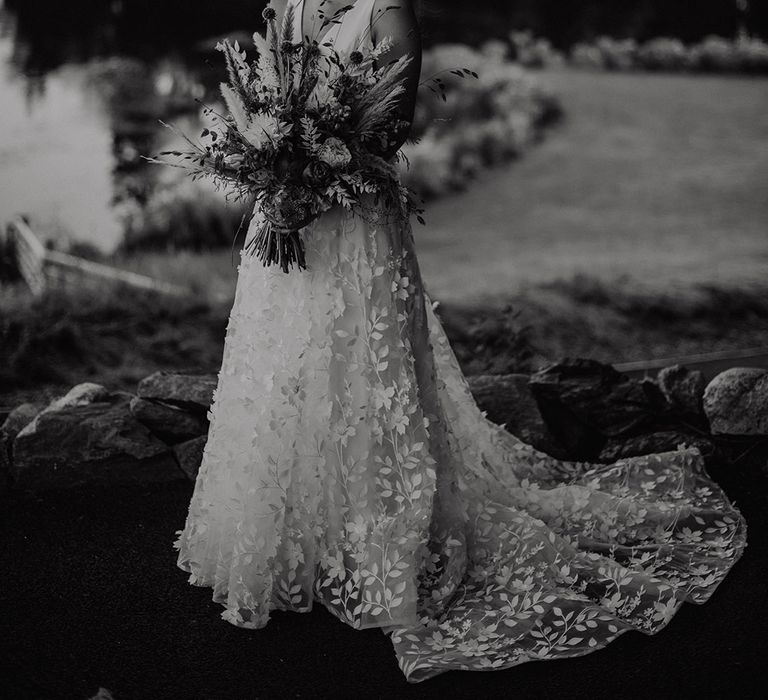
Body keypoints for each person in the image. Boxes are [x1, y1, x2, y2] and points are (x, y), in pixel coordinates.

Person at [173, 0, 747, 683]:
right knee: (283, 371)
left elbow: (389, 131)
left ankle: (384, 543)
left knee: (366, 377)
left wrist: (313, 184)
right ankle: (290, 532)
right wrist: (272, 175)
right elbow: (265, 97)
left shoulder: (388, 13)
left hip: (355, 227)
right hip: (286, 230)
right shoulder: (291, 3)